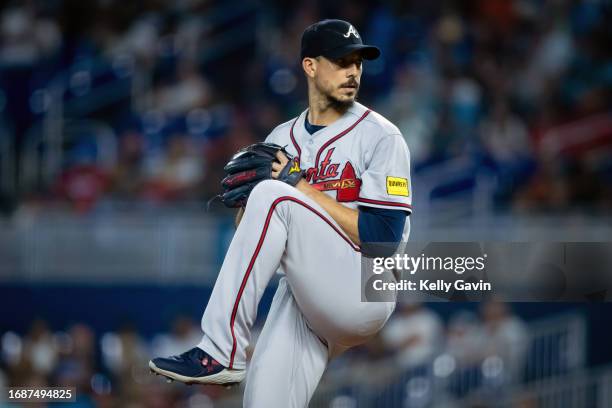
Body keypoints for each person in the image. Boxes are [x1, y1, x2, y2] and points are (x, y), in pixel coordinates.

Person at [149, 19, 413, 407]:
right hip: (307, 293)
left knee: (276, 194)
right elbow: (259, 239)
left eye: (358, 61)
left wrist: (298, 188)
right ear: (310, 66)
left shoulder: (382, 136)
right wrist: (245, 206)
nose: (353, 70)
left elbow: (385, 238)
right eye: (341, 61)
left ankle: (220, 349)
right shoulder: (279, 139)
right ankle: (226, 353)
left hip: (366, 286)